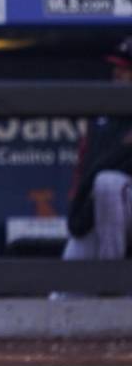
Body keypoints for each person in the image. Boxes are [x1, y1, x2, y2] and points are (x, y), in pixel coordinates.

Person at [63, 37, 132, 262]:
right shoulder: (103, 115)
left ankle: (110, 278)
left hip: (123, 197)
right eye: (116, 67)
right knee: (65, 288)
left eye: (126, 69)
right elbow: (85, 169)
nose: (117, 73)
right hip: (106, 212)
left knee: (109, 183)